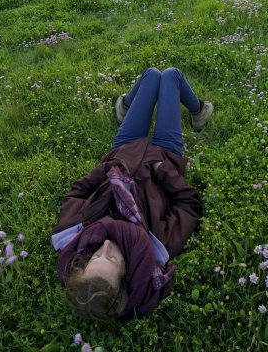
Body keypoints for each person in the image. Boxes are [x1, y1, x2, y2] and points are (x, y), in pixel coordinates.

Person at [51, 67, 214, 322]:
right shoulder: (157, 246)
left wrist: (106, 168)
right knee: (170, 76)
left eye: (96, 256)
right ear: (127, 271)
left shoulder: (75, 234)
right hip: (164, 154)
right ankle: (199, 111)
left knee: (151, 75)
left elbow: (77, 193)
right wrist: (163, 172)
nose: (105, 246)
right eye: (113, 258)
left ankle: (125, 107)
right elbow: (189, 205)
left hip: (122, 150)